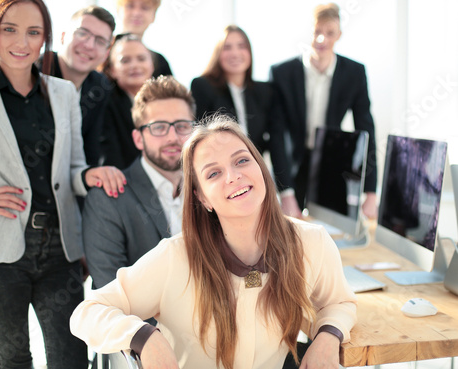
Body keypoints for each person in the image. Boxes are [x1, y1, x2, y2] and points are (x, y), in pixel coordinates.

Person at [70, 117, 357, 369]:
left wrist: (328, 336)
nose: (234, 176)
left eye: (242, 160)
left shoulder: (311, 242)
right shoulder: (175, 257)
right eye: (213, 173)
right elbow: (87, 311)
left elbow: (339, 302)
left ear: (260, 167)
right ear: (202, 198)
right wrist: (145, 337)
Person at [0, 0, 126, 367]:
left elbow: (75, 167)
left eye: (33, 32)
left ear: (45, 39)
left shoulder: (63, 92)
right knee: (11, 360)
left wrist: (88, 176)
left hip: (59, 251)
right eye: (10, 29)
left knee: (69, 359)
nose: (22, 41)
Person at [84, 75, 195, 290]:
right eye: (159, 127)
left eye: (182, 126)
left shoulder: (212, 190)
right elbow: (111, 292)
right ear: (138, 138)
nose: (172, 137)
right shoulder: (107, 200)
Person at [269, 2, 378, 219]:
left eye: (330, 33)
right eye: (317, 32)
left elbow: (366, 129)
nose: (322, 40)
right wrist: (286, 192)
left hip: (333, 163)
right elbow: (277, 135)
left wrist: (371, 191)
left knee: (331, 230)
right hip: (293, 165)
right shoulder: (282, 73)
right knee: (290, 229)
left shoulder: (354, 73)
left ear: (339, 35)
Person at [40, 5, 115, 167]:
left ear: (106, 54)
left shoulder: (100, 86)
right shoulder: (35, 71)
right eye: (82, 33)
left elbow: (91, 149)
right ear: (62, 36)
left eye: (100, 41)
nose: (89, 45)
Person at [191, 25, 273, 155]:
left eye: (241, 46)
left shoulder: (264, 91)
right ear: (218, 53)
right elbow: (200, 135)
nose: (235, 53)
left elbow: (274, 139)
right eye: (227, 47)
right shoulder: (203, 86)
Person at [99, 33, 155, 169]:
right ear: (112, 70)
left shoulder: (167, 101)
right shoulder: (105, 104)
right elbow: (111, 157)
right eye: (125, 60)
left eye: (141, 59)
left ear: (152, 65)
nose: (134, 65)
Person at [116, 0, 172, 77]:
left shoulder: (160, 63)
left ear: (154, 16)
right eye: (130, 6)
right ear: (118, 10)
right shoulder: (101, 52)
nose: (136, 13)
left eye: (145, 8)